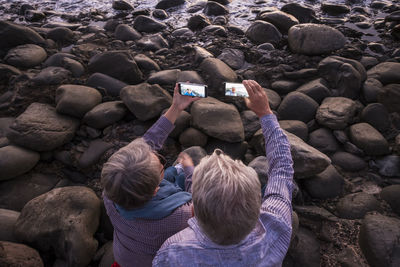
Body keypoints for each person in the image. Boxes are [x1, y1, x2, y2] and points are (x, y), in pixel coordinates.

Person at [153, 80, 294, 267]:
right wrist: (266, 113)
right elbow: (282, 169)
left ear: (193, 211)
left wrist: (175, 108)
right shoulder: (276, 223)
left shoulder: (174, 251)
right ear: (258, 204)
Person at [101, 84, 199, 267]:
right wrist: (190, 171)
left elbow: (149, 141)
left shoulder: (109, 193)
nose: (161, 160)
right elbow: (198, 201)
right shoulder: (179, 215)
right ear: (155, 190)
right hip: (153, 262)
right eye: (161, 165)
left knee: (173, 172)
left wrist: (176, 107)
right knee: (181, 174)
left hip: (124, 258)